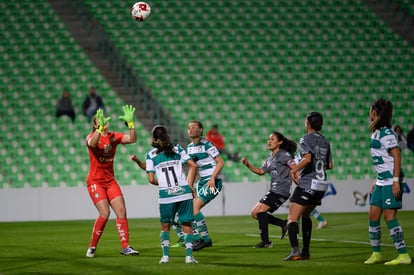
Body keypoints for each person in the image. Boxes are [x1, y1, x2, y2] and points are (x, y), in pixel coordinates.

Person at [85, 105, 139, 258]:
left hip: (109, 181)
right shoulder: (91, 136)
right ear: (95, 124)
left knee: (121, 211)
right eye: (99, 121)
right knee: (105, 213)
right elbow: (92, 144)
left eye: (104, 120)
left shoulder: (114, 137)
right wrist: (99, 130)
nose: (104, 121)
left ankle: (125, 247)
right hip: (95, 181)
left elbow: (132, 139)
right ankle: (92, 247)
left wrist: (131, 124)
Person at [364, 99, 412, 265]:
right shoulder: (376, 132)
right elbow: (383, 160)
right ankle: (376, 253)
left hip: (391, 180)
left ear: (375, 113)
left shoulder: (386, 133)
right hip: (381, 181)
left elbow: (397, 155)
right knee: (373, 215)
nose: (369, 113)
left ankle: (403, 255)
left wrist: (396, 181)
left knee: (389, 216)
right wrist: (377, 179)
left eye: (371, 110)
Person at [145, 125, 198, 264]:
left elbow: (150, 179)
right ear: (167, 136)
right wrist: (189, 185)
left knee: (165, 226)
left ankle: (165, 257)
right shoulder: (178, 149)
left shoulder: (150, 155)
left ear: (154, 139)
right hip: (183, 192)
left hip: (166, 195)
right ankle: (188, 257)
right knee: (187, 224)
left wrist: (163, 184)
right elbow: (193, 165)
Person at [284, 111, 333, 261]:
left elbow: (307, 158)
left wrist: (294, 169)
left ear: (308, 123)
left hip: (308, 183)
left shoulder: (306, 138)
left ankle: (295, 252)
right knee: (306, 215)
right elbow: (329, 165)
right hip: (321, 185)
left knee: (292, 218)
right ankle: (305, 251)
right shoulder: (325, 141)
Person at [241, 131, 296, 248]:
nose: (269, 141)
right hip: (274, 190)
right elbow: (261, 172)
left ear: (280, 142)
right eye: (268, 139)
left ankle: (266, 242)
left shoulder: (285, 155)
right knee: (255, 213)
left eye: (272, 139)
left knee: (261, 212)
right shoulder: (270, 158)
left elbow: (295, 168)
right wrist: (248, 165)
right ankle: (283, 223)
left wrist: (298, 180)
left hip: (281, 190)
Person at [187, 120, 225, 251]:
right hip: (202, 182)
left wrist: (213, 178)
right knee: (189, 210)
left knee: (194, 209)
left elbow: (220, 162)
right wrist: (189, 186)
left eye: (193, 127)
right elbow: (193, 168)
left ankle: (206, 240)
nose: (190, 130)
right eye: (189, 128)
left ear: (201, 130)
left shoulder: (207, 144)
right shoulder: (189, 148)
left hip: (213, 182)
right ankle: (198, 239)